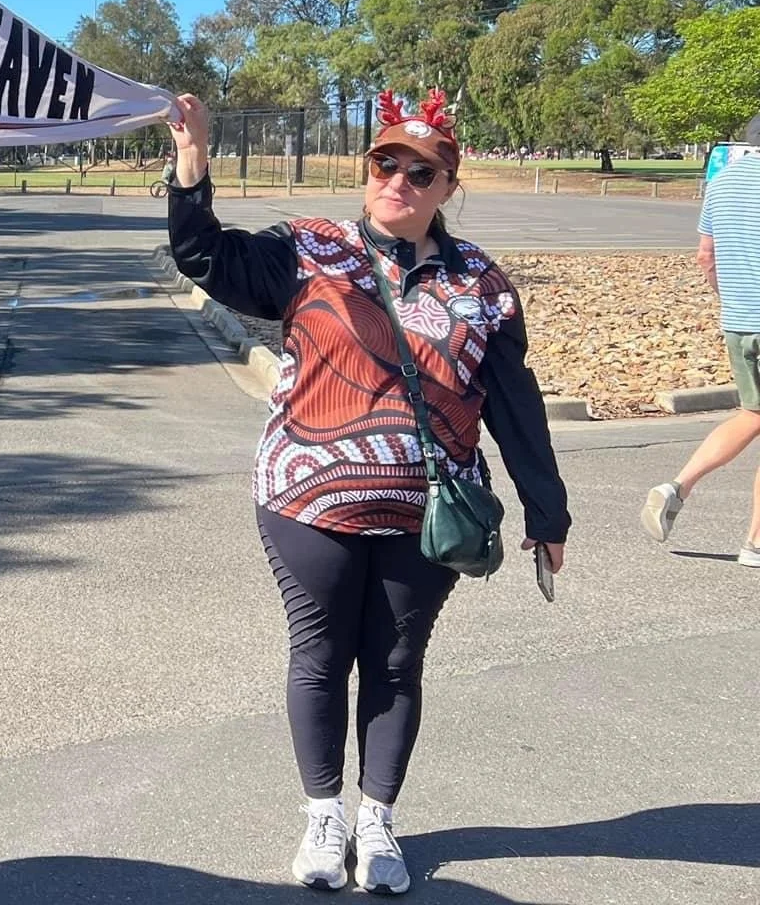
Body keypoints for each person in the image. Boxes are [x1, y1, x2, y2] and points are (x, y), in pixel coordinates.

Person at [166, 90, 571, 895]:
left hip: (427, 512)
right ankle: (323, 816)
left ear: (447, 187)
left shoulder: (481, 284)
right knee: (320, 654)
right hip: (307, 499)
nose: (400, 181)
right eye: (386, 164)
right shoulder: (311, 249)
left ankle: (377, 819)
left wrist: (547, 510)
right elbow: (206, 257)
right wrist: (192, 160)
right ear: (368, 170)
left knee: (394, 660)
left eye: (421, 172)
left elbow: (515, 405)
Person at [641, 147, 760, 566]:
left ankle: (677, 486)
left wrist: (728, 298)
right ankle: (755, 543)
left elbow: (705, 255)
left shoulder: (722, 182)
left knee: (754, 413)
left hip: (740, 320)